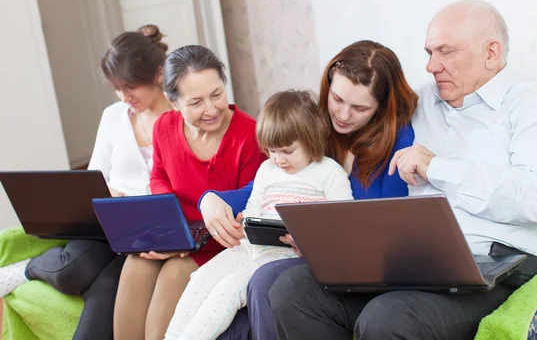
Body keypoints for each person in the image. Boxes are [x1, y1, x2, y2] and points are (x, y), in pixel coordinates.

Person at [269, 0, 537, 340]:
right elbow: (353, 123)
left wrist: (437, 167)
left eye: (446, 52)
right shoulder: (417, 104)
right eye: (429, 52)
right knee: (293, 289)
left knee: (388, 317)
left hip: (493, 270)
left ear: (491, 52)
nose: (432, 65)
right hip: (410, 265)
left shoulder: (533, 106)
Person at [200, 40, 419, 339]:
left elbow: (387, 228)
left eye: (359, 108)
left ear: (381, 107)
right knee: (226, 308)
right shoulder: (315, 125)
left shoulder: (398, 138)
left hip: (357, 268)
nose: (342, 115)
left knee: (264, 281)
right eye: (337, 99)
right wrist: (210, 200)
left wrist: (324, 244)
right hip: (301, 255)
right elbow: (263, 186)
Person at [0, 24, 172, 340]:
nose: (124, 97)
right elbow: (95, 174)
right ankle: (25, 269)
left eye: (131, 87)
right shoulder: (113, 116)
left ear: (159, 75)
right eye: (117, 88)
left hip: (148, 234)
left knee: (106, 288)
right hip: (108, 221)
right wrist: (108, 194)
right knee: (71, 271)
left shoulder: (180, 118)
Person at [166, 90, 353, 340]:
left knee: (229, 290)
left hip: (284, 254)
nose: (279, 159)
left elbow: (345, 223)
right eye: (271, 151)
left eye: (287, 151)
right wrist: (246, 222)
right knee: (200, 278)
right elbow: (254, 206)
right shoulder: (267, 169)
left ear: (312, 139)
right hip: (251, 246)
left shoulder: (330, 173)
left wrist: (313, 241)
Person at [113, 45, 266, 340]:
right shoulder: (164, 128)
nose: (211, 109)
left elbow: (251, 200)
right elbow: (158, 176)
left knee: (174, 273)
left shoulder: (250, 135)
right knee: (135, 263)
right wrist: (173, 229)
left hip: (222, 241)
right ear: (174, 103)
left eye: (217, 94)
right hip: (176, 230)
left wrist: (188, 242)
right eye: (196, 102)